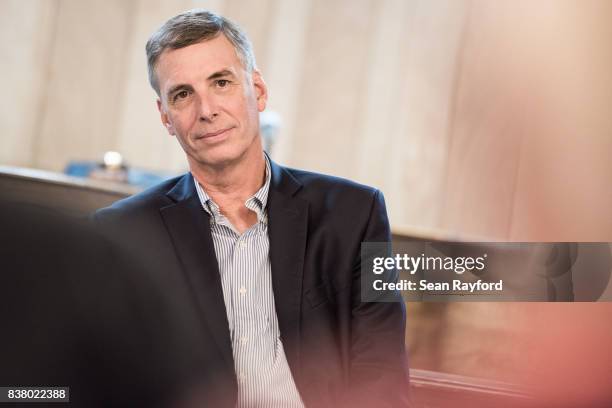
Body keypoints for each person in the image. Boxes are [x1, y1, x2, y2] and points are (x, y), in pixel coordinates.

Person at [95, 9, 410, 407]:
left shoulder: (356, 215)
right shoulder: (121, 234)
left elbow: (383, 378)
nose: (206, 110)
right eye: (183, 94)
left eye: (221, 82)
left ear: (257, 91)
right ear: (166, 117)